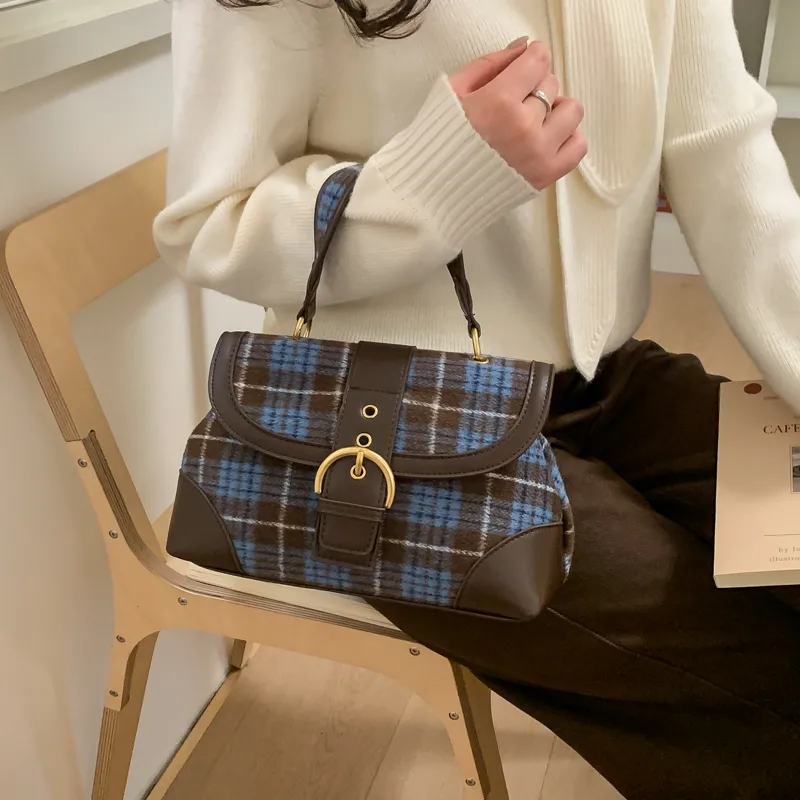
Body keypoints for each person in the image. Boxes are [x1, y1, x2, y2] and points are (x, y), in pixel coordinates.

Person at [153, 1, 800, 797]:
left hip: (605, 375)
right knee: (765, 685)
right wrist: (434, 180)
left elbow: (725, 150)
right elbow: (208, 225)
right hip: (386, 426)